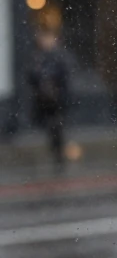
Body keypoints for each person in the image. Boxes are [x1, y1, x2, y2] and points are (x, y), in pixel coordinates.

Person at [27, 28, 72, 167]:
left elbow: (65, 78)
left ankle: (59, 155)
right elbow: (32, 76)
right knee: (48, 127)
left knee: (56, 127)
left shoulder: (60, 57)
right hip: (42, 101)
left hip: (56, 101)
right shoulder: (37, 57)